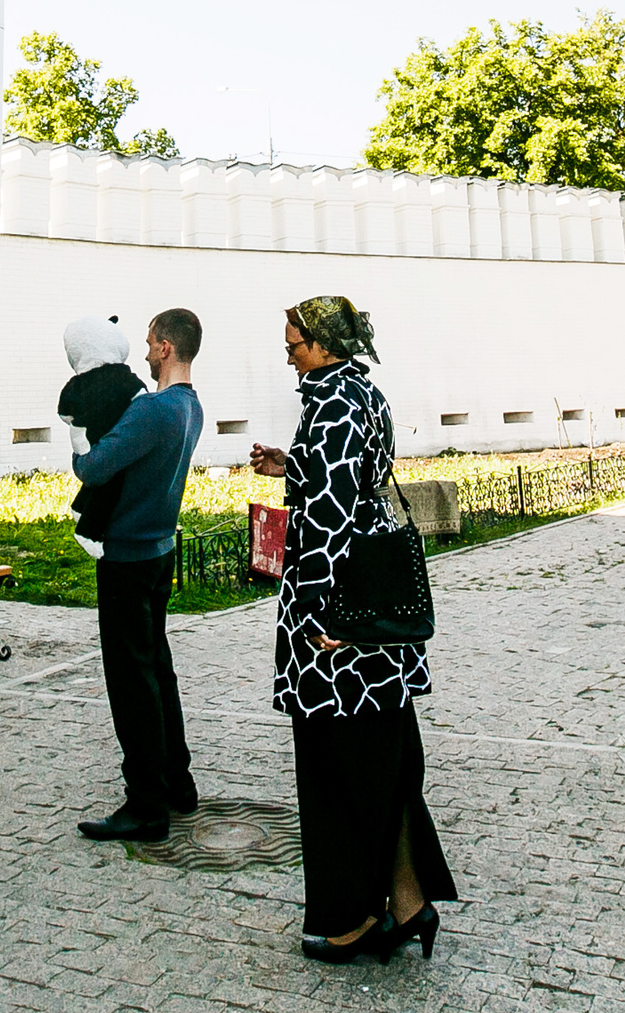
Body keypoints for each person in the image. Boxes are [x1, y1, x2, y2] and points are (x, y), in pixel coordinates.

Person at [249, 295, 456, 964]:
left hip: (342, 634)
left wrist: (328, 620)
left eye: (296, 344)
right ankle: (407, 901)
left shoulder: (331, 404)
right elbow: (352, 482)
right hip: (374, 625)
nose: (289, 354)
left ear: (325, 343)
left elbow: (334, 519)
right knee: (383, 767)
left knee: (341, 774)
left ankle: (356, 919)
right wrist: (293, 465)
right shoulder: (362, 394)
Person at [68, 308, 204, 841]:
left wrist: (78, 434)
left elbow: (92, 467)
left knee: (131, 684)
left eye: (150, 343)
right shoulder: (190, 406)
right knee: (158, 671)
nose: (144, 352)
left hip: (126, 556)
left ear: (167, 347)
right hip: (160, 551)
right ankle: (178, 782)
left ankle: (145, 804)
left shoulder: (153, 411)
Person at [58, 315, 146, 555]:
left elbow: (65, 412)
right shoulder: (122, 376)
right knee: (112, 485)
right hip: (114, 436)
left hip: (89, 439)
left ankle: (79, 506)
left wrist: (78, 434)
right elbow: (141, 397)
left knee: (98, 481)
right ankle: (88, 532)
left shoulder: (77, 383)